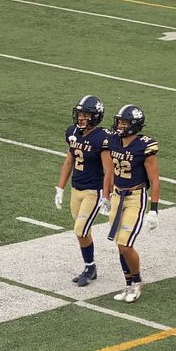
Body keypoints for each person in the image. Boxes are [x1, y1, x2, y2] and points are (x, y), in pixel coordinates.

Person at [54, 95, 113, 286]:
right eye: (79, 114)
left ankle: (90, 268)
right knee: (83, 232)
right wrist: (60, 188)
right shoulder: (73, 132)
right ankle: (90, 267)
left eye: (86, 115)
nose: (81, 118)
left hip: (92, 192)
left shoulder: (102, 137)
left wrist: (106, 195)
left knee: (80, 230)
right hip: (76, 189)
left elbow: (108, 170)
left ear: (95, 117)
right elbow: (69, 160)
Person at [107, 104, 160, 302]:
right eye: (119, 121)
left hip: (135, 197)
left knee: (125, 244)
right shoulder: (113, 141)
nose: (119, 125)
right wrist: (106, 196)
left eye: (124, 122)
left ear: (134, 125)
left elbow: (155, 180)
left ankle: (137, 281)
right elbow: (110, 171)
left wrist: (154, 210)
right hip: (116, 196)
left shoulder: (145, 146)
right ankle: (128, 284)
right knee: (120, 246)